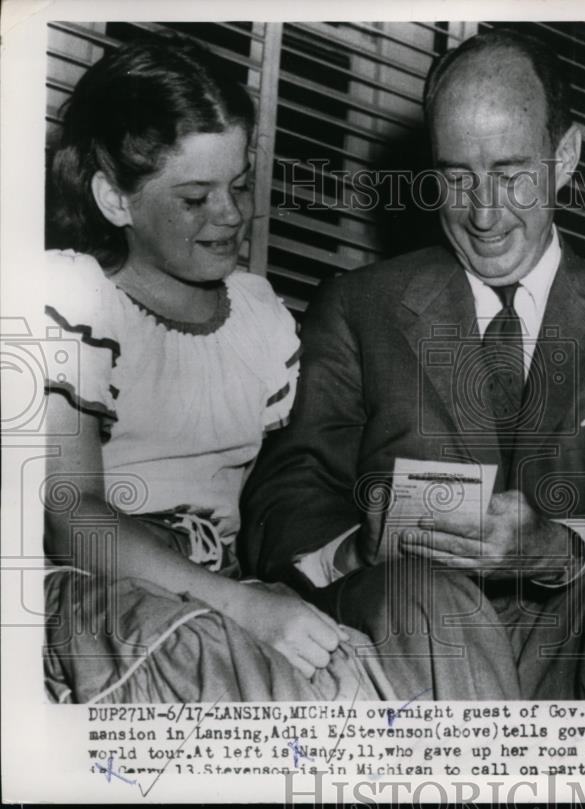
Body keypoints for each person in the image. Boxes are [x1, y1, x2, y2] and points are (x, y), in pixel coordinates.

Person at [240, 28, 585, 700]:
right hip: (418, 636)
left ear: (565, 157)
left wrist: (557, 547)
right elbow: (284, 504)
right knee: (427, 601)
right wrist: (360, 545)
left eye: (509, 174)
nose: (483, 213)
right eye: (456, 177)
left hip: (577, 639)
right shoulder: (358, 308)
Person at [42, 33, 393, 703]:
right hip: (94, 590)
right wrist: (244, 606)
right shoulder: (73, 299)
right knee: (209, 654)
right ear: (115, 199)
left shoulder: (260, 318)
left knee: (352, 673)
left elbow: (289, 493)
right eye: (195, 198)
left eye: (238, 184)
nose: (230, 214)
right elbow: (70, 516)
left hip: (217, 587)